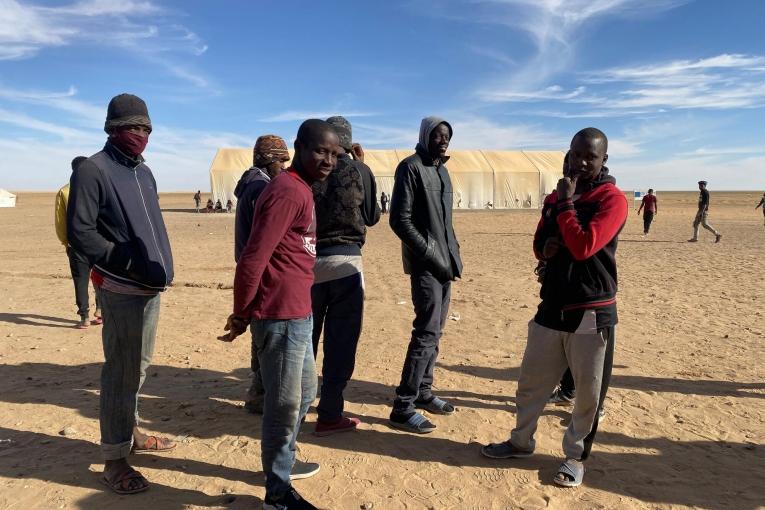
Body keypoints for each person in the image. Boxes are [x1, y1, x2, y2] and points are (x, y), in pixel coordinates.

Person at [481, 128, 628, 488]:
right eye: (576, 153)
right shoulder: (554, 196)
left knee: (588, 395)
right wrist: (543, 248)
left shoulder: (612, 199)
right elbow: (539, 241)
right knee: (532, 383)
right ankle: (520, 442)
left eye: (589, 156)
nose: (580, 161)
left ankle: (575, 458)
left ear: (603, 160)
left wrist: (566, 204)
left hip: (592, 308)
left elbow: (583, 246)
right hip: (553, 304)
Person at [220, 119, 339, 510]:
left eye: (334, 154)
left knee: (304, 393)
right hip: (279, 315)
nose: (328, 160)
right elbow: (253, 257)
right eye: (321, 151)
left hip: (298, 313)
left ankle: (282, 462)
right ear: (301, 148)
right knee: (283, 405)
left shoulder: (300, 190)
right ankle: (277, 493)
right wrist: (242, 313)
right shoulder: (287, 191)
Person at [67, 93, 176, 495]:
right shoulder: (94, 170)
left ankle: (129, 433)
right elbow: (81, 233)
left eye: (146, 128)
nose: (140, 135)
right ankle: (114, 459)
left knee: (139, 367)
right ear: (112, 129)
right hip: (121, 288)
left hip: (151, 288)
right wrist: (125, 261)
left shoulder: (144, 172)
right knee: (120, 371)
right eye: (132, 127)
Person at [388, 117, 463, 434]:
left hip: (445, 264)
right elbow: (400, 221)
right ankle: (403, 406)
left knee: (437, 330)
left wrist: (451, 255)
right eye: (437, 135)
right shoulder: (410, 167)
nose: (443, 140)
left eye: (447, 135)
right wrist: (431, 254)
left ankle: (423, 392)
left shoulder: (442, 171)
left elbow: (445, 223)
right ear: (424, 136)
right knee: (426, 332)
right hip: (425, 265)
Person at [311, 116, 381, 437]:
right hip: (347, 262)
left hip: (308, 263)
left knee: (304, 339)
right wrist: (361, 166)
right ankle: (329, 413)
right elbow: (372, 216)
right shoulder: (359, 170)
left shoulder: (310, 167)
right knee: (341, 341)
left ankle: (294, 405)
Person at [233, 134, 290, 413]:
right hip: (259, 271)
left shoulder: (253, 182)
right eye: (281, 161)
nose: (284, 167)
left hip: (251, 267)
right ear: (269, 160)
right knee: (265, 336)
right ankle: (260, 395)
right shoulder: (259, 187)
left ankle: (259, 392)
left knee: (261, 334)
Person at [56, 156, 102, 329]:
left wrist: (65, 242)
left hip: (77, 244)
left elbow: (60, 221)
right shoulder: (98, 187)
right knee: (100, 278)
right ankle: (101, 309)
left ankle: (84, 316)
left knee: (80, 280)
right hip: (98, 242)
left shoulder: (64, 191)